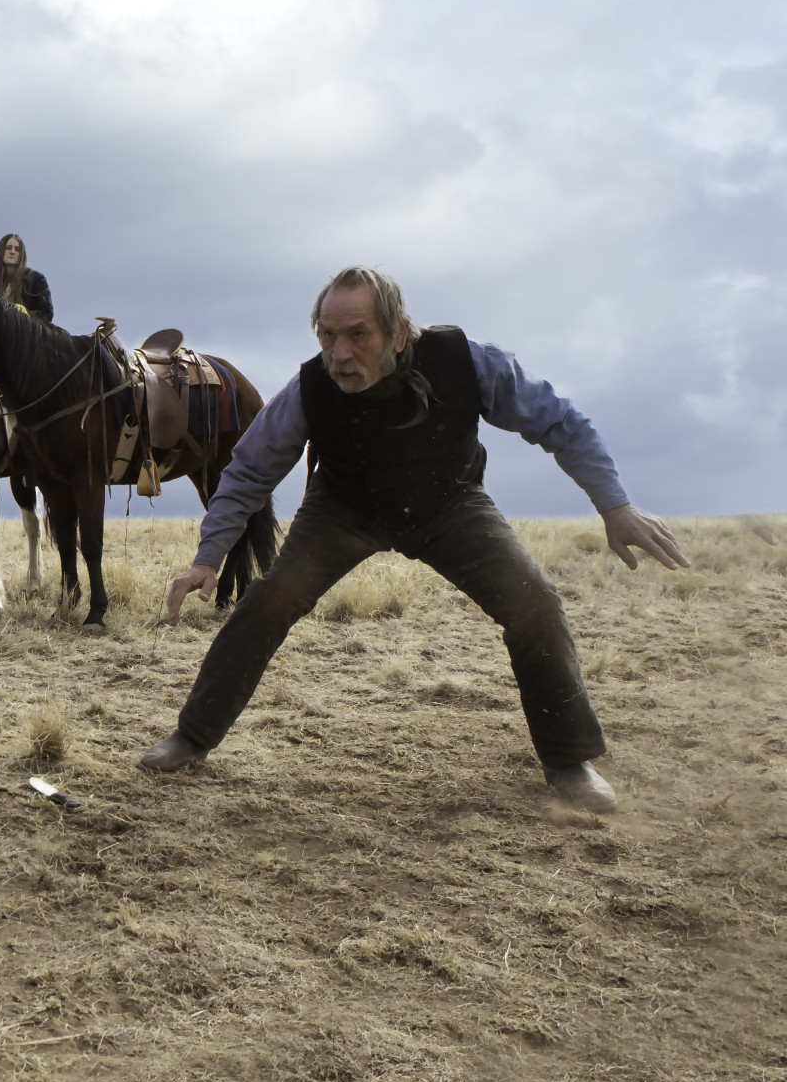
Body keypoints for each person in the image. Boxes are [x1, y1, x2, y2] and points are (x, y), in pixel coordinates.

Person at [139, 266, 687, 814]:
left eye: (358, 334)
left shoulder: (467, 362)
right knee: (269, 600)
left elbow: (560, 422)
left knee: (534, 602)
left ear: (398, 332)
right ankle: (192, 736)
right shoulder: (308, 390)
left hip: (450, 504)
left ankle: (569, 762)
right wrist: (208, 558)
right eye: (327, 336)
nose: (339, 353)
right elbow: (248, 472)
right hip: (344, 509)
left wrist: (614, 506)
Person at [0, 232, 54, 323]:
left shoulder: (35, 279)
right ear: (1, 251)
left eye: (17, 249)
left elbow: (47, 315)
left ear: (21, 254)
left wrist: (25, 314)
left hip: (27, 331)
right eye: (8, 247)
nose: (12, 252)